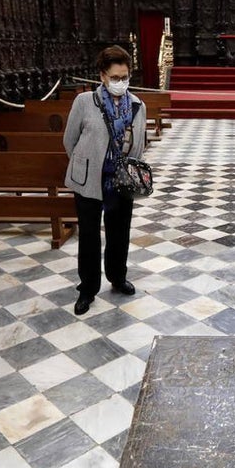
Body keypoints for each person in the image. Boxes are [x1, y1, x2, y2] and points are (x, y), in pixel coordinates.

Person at [63, 46, 147, 316]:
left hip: (121, 180)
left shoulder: (138, 105)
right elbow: (69, 140)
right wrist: (86, 163)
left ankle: (117, 276)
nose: (120, 82)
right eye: (115, 77)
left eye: (125, 77)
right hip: (89, 178)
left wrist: (126, 170)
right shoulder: (85, 102)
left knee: (119, 232)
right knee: (88, 235)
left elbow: (139, 145)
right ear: (102, 76)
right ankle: (88, 288)